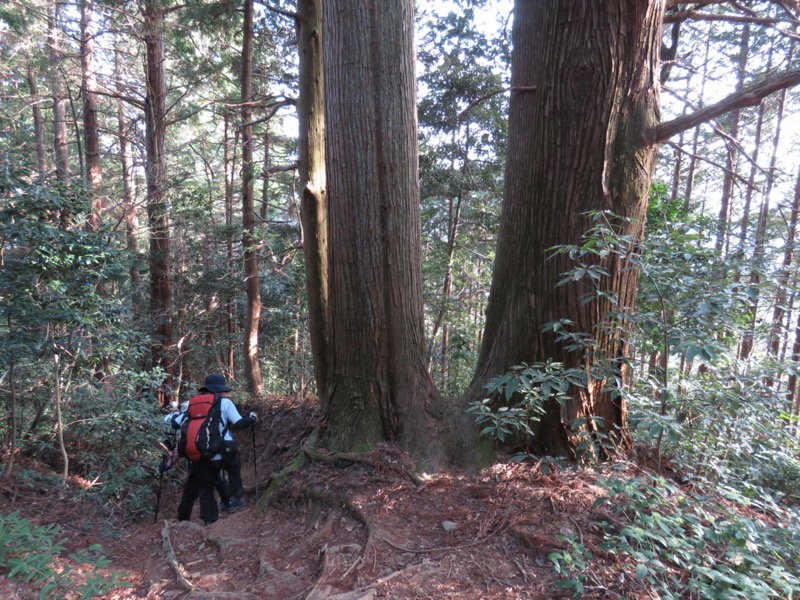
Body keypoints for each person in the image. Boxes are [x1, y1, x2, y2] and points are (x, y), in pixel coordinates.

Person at [169, 373, 257, 525]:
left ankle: (210, 519)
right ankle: (235, 497)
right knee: (234, 465)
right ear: (221, 389)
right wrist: (253, 418)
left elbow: (175, 424)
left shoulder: (192, 403)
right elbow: (240, 423)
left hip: (201, 454)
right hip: (223, 452)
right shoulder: (225, 403)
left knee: (206, 487)